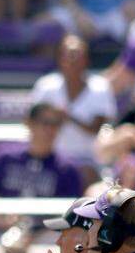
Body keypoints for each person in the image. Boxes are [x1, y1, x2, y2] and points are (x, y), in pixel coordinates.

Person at [31, 34, 117, 173]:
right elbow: (34, 121)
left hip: (88, 161)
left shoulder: (100, 87)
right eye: (68, 55)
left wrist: (68, 116)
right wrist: (54, 118)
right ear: (60, 59)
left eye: (77, 55)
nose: (72, 59)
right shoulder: (45, 86)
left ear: (87, 60)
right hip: (50, 160)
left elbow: (98, 128)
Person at [0, 103, 84, 198]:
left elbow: (70, 209)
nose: (50, 129)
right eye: (45, 123)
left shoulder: (67, 169)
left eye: (56, 124)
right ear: (29, 123)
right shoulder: (5, 159)